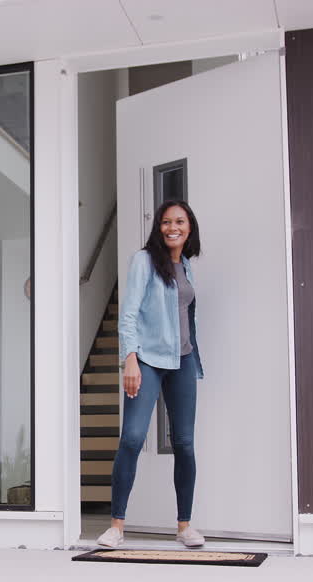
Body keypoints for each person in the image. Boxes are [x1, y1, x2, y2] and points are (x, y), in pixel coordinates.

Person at [97, 200, 205, 549]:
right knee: (131, 438)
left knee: (184, 443)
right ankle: (116, 526)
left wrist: (192, 358)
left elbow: (184, 320)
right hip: (147, 360)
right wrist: (130, 358)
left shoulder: (186, 265)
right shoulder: (144, 261)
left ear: (189, 227)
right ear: (158, 227)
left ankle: (184, 526)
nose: (172, 227)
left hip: (183, 362)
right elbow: (128, 313)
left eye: (180, 221)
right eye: (166, 222)